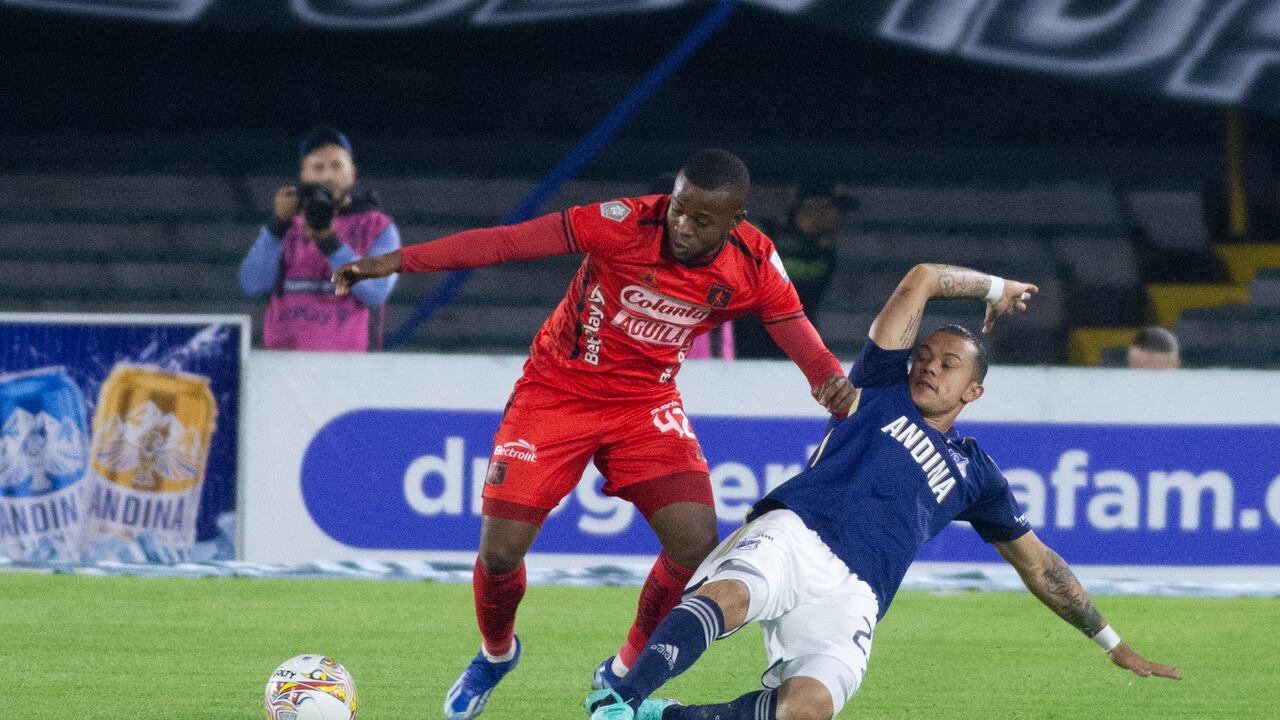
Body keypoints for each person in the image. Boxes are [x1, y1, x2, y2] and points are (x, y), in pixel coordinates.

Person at [333, 149, 857, 720]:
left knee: (696, 545)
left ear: (736, 221)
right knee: (500, 554)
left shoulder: (753, 260)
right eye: (679, 210)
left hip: (645, 403)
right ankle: (496, 654)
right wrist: (394, 263)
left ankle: (625, 670)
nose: (682, 226)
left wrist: (827, 377)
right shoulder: (623, 222)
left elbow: (791, 322)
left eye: (702, 220)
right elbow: (506, 242)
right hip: (556, 391)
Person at [585, 263, 1181, 720]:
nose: (929, 367)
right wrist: (993, 286)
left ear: (973, 391)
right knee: (733, 593)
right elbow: (921, 279)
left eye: (949, 364)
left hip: (858, 592)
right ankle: (620, 697)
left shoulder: (978, 474)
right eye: (924, 356)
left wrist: (1111, 641)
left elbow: (1039, 565)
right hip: (797, 532)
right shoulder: (880, 385)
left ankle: (665, 715)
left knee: (808, 707)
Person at [239, 126, 400, 350]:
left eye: (336, 166)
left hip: (350, 368)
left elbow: (375, 292)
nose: (327, 176)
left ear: (352, 173)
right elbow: (252, 284)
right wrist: (277, 225)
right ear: (303, 175)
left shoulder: (377, 226)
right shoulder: (287, 224)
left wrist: (328, 241)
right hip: (285, 367)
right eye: (317, 167)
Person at [735, 178, 858, 358]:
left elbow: (805, 278)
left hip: (792, 347)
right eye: (835, 209)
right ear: (816, 207)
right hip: (748, 343)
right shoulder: (765, 230)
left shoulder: (824, 251)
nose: (838, 218)